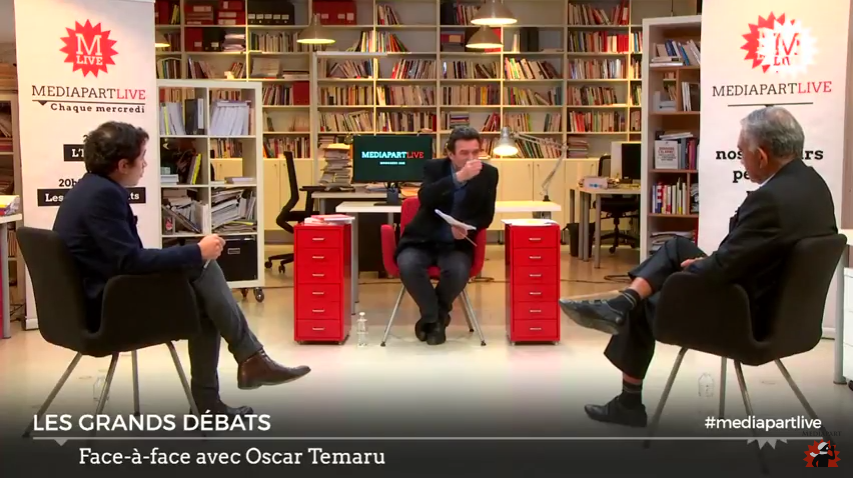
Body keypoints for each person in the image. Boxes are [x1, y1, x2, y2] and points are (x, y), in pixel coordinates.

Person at [559, 107, 837, 427]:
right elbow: (753, 254)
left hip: (747, 318)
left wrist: (694, 270)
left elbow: (723, 269)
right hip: (785, 313)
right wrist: (706, 263)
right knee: (677, 246)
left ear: (761, 156)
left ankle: (628, 400)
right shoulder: (813, 185)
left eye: (741, 152)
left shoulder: (770, 200)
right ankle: (624, 300)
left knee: (647, 304)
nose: (741, 160)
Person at [53, 121, 311, 418]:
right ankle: (247, 363)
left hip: (94, 301)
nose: (145, 165)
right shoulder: (104, 196)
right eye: (142, 158)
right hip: (107, 311)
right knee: (204, 269)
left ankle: (229, 384)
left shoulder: (89, 188)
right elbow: (129, 262)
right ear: (123, 165)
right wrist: (196, 252)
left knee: (206, 302)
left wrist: (192, 255)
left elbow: (123, 259)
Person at [395, 126, 499, 345]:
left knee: (458, 271)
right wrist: (459, 178)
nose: (471, 158)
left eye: (475, 152)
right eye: (464, 153)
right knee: (409, 265)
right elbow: (426, 197)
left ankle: (433, 319)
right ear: (450, 154)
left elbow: (486, 216)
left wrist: (468, 228)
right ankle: (435, 318)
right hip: (422, 240)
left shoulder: (489, 174)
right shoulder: (434, 167)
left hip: (455, 245)